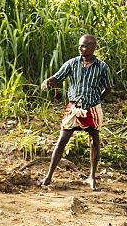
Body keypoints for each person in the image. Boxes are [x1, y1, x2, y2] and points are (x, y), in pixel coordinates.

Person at [39, 34, 114, 189]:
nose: (81, 48)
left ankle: (92, 177)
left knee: (94, 141)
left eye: (85, 46)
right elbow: (58, 78)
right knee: (61, 141)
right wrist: (47, 82)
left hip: (92, 108)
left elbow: (108, 87)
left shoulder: (102, 67)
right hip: (73, 108)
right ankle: (48, 176)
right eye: (80, 45)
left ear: (93, 48)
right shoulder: (72, 63)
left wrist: (98, 100)